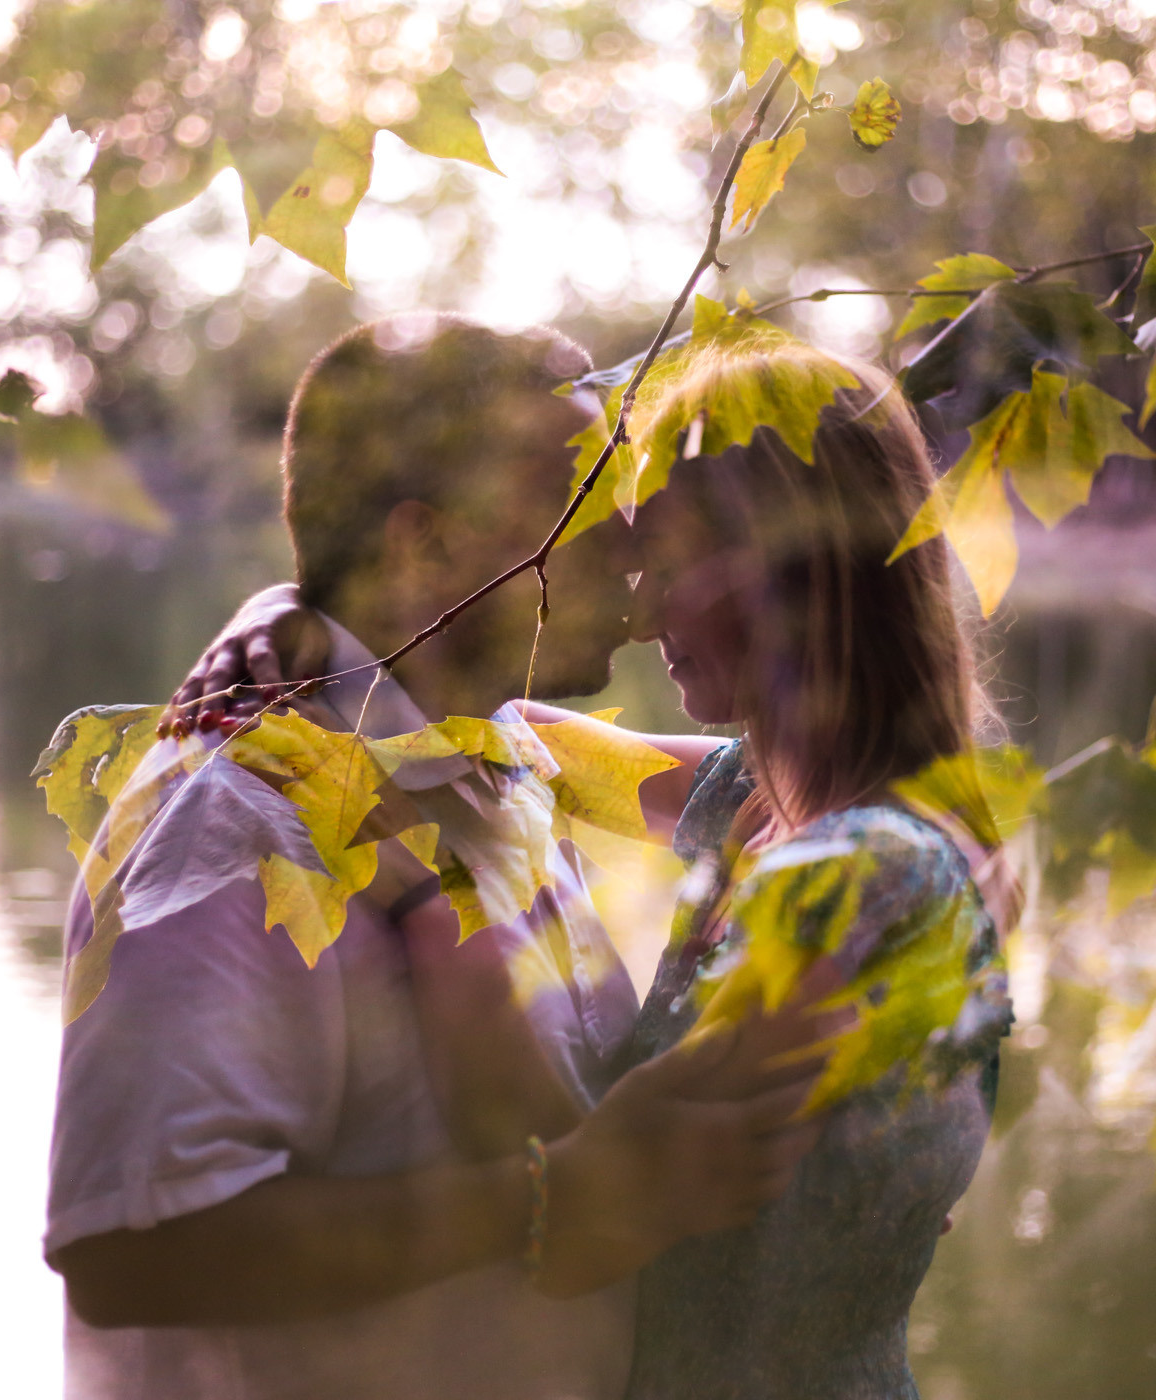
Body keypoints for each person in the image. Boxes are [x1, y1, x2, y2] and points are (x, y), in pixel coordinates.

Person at [178, 335, 1018, 1399]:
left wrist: (441, 894)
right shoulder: (759, 806)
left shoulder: (864, 884)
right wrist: (293, 618)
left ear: (787, 565)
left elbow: (583, 1222)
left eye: (666, 559)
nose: (637, 605)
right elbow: (518, 728)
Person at [42, 315, 838, 1400]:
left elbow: (757, 780)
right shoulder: (233, 824)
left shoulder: (475, 741)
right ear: (427, 545)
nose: (638, 551)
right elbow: (133, 1250)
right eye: (588, 514)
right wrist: (554, 1200)